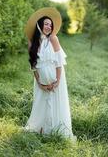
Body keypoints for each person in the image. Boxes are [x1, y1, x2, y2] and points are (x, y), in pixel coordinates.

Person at [24, 7, 76, 140]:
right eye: (46, 23)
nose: (49, 26)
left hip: (55, 80)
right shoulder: (32, 44)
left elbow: (59, 63)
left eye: (50, 25)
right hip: (41, 82)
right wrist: (40, 83)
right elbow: (33, 67)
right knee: (41, 104)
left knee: (56, 103)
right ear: (39, 25)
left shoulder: (53, 39)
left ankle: (56, 131)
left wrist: (57, 81)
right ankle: (40, 129)